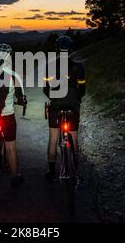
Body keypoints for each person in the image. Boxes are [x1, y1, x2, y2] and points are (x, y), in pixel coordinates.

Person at [0, 43, 27, 187]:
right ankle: (15, 177)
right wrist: (21, 101)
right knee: (10, 147)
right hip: (7, 115)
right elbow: (21, 98)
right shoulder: (15, 76)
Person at [43, 35, 86, 183]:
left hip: (56, 106)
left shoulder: (49, 67)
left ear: (57, 49)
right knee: (74, 137)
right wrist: (76, 100)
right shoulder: (79, 67)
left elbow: (46, 90)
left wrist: (54, 99)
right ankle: (75, 170)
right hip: (73, 106)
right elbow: (82, 89)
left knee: (53, 138)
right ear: (71, 49)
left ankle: (51, 171)